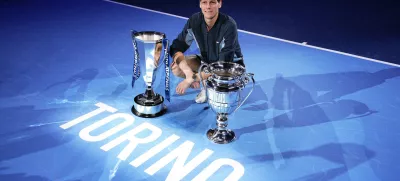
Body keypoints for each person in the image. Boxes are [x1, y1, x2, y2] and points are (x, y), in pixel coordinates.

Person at [169, 0, 245, 103]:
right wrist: (188, 73)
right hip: (207, 63)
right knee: (176, 67)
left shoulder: (229, 25)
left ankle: (206, 84)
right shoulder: (194, 21)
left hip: (229, 68)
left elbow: (222, 65)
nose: (208, 6)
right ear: (200, 4)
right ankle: (205, 82)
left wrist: (193, 78)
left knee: (220, 100)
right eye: (204, 2)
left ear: (219, 4)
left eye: (212, 2)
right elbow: (176, 47)